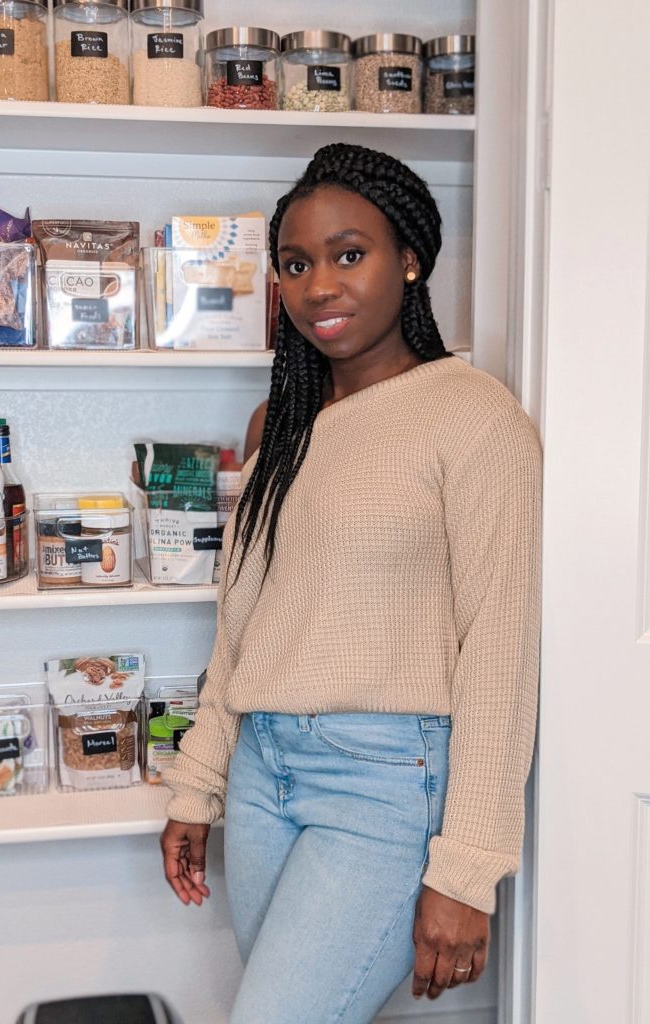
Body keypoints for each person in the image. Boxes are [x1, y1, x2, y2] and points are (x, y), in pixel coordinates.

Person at [159, 143, 541, 1024]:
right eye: (296, 264)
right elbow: (245, 627)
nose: (318, 285)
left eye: (348, 254)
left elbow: (501, 649)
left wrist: (467, 871)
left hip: (387, 782)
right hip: (263, 772)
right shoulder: (279, 425)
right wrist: (198, 784)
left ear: (410, 258)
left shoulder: (477, 418)